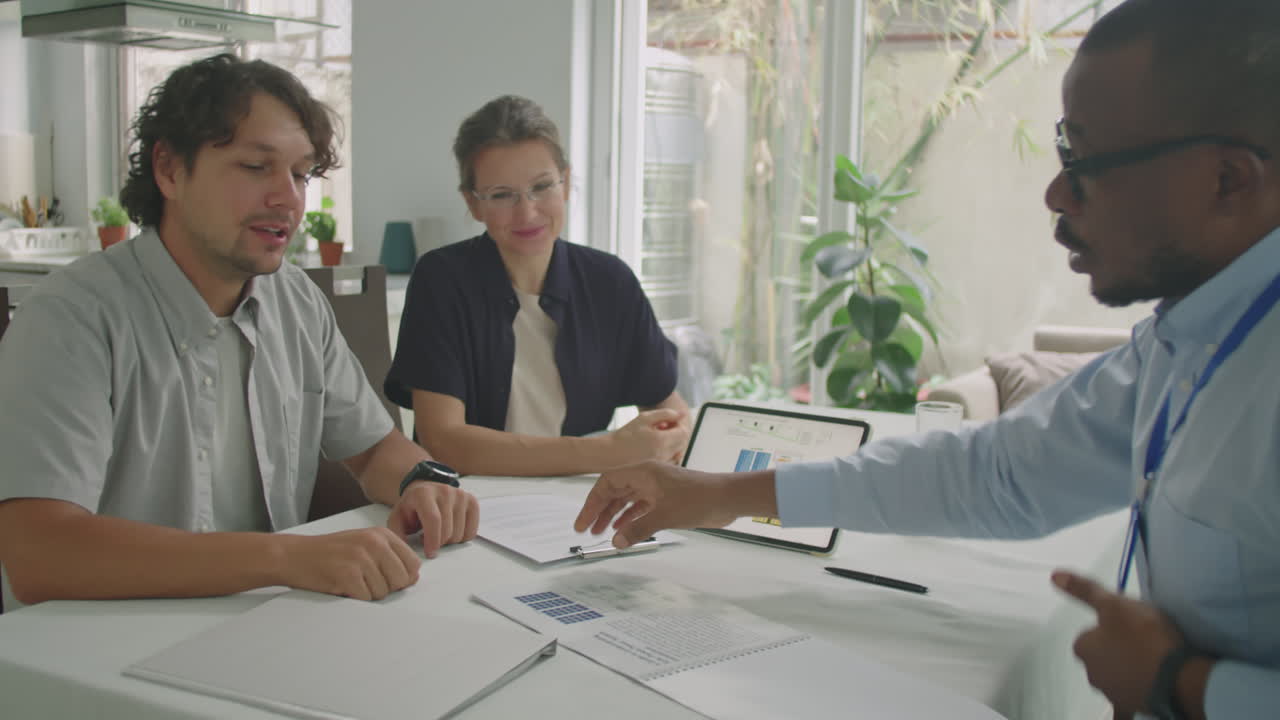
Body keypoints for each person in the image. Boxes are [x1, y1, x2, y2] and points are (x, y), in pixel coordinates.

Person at [573, 2, 1279, 718]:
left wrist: (1183, 686)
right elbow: (997, 474)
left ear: (1227, 180)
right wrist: (722, 495)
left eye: (1087, 163)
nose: (1056, 193)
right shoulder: (1185, 341)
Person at [0, 54, 479, 610]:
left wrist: (420, 482)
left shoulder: (297, 301)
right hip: (96, 648)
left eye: (301, 174)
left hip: (256, 626)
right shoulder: (71, 318)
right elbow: (39, 553)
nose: (290, 198)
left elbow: (373, 451)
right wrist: (286, 559)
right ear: (170, 170)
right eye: (256, 167)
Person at [385, 95, 691, 477]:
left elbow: (669, 410)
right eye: (501, 195)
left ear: (565, 184)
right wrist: (608, 451)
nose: (527, 212)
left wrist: (676, 444)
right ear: (473, 202)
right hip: (469, 507)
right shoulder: (443, 280)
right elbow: (444, 442)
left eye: (542, 187)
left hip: (584, 506)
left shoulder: (610, 282)